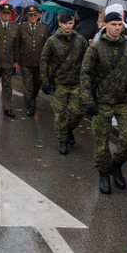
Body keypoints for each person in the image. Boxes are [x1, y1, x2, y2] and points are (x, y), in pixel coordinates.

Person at [80, 12, 127, 196]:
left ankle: (116, 165)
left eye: (119, 24)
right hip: (101, 102)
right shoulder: (95, 48)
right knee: (102, 143)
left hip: (123, 102)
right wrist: (88, 100)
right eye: (113, 24)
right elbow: (85, 74)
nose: (117, 27)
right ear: (105, 25)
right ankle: (104, 173)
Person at [40, 12, 88, 155]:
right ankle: (63, 140)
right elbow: (44, 61)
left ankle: (67, 130)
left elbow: (87, 61)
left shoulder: (80, 40)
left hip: (76, 83)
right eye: (65, 23)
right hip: (59, 83)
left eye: (70, 23)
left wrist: (86, 81)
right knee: (59, 114)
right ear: (60, 23)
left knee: (77, 112)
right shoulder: (52, 41)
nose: (68, 26)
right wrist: (44, 82)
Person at [17, 5, 50, 116]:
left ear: (38, 15)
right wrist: (16, 61)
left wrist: (48, 60)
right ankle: (30, 106)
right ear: (27, 16)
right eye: (30, 15)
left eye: (35, 15)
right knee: (28, 86)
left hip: (39, 61)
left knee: (37, 84)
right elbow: (17, 45)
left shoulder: (44, 27)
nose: (33, 17)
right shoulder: (21, 27)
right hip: (25, 61)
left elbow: (47, 45)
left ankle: (32, 99)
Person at [0, 3, 19, 118]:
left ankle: (7, 108)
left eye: (8, 13)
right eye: (4, 13)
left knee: (7, 85)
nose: (6, 15)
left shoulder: (15, 27)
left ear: (11, 14)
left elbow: (16, 46)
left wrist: (16, 61)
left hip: (8, 61)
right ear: (0, 14)